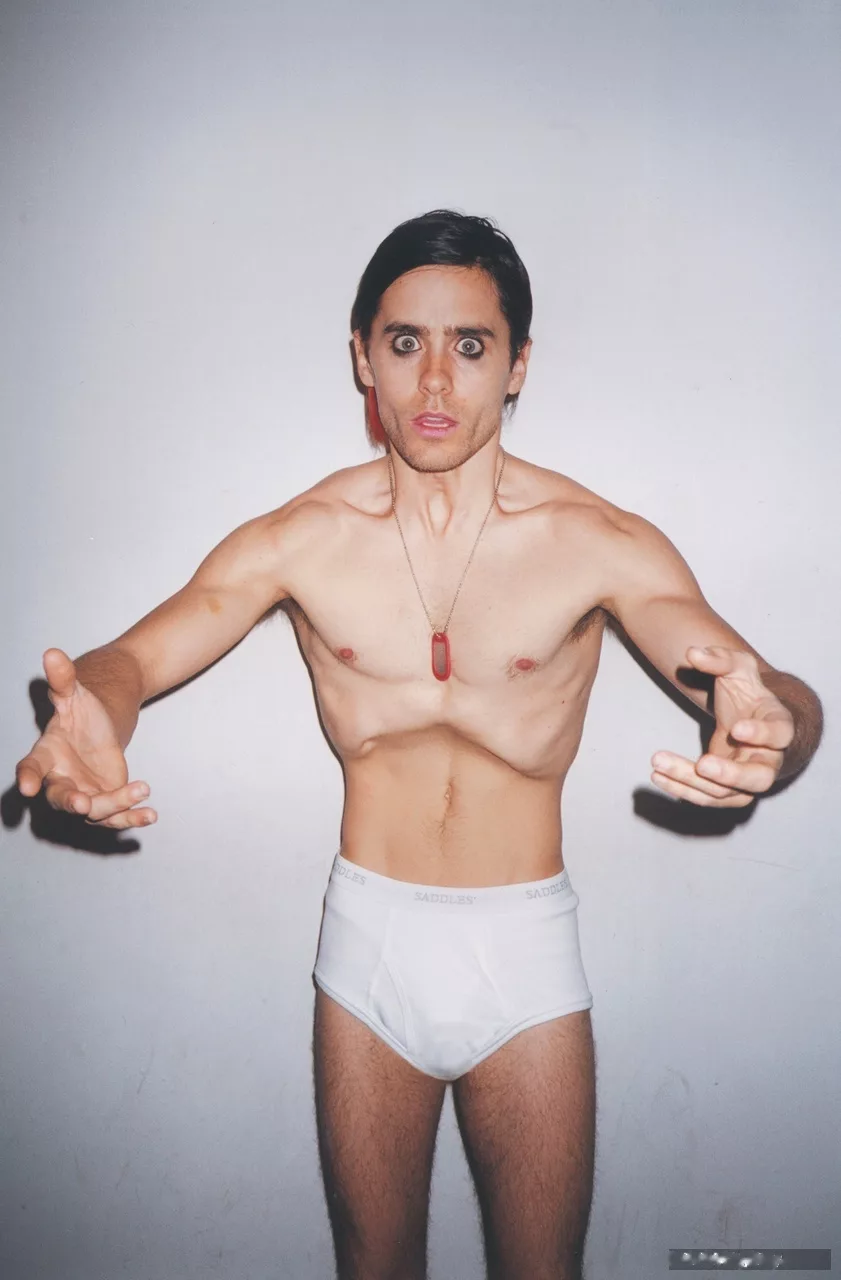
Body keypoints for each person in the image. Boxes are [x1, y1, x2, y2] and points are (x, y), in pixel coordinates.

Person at [15, 210, 823, 1280]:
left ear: (518, 364)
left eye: (470, 345)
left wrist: (777, 730)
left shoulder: (598, 544)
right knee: (375, 1265)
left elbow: (751, 680)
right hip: (371, 945)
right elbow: (137, 654)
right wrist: (96, 708)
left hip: (524, 952)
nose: (435, 380)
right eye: (405, 343)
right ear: (364, 355)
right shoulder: (302, 538)